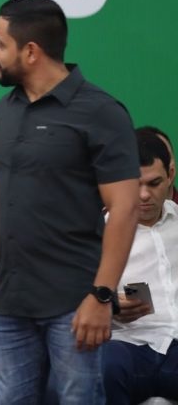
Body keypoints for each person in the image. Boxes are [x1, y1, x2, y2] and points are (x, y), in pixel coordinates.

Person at [0, 0, 140, 404]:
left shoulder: (101, 112)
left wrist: (102, 296)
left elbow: (125, 208)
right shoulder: (4, 111)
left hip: (75, 304)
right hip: (10, 305)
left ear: (31, 51)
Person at [101, 129, 178, 403]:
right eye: (135, 184)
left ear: (170, 175)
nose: (144, 195)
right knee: (104, 363)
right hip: (130, 345)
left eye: (154, 183)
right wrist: (108, 306)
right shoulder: (96, 233)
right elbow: (70, 301)